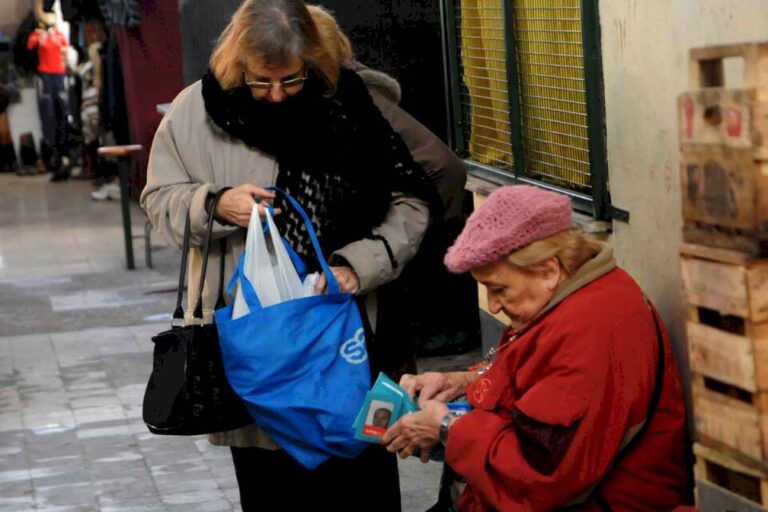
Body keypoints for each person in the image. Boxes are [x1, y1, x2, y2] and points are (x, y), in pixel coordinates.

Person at [140, 0, 441, 510]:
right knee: (272, 489)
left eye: (292, 80)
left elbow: (411, 200)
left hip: (343, 341)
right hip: (254, 347)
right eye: (261, 81)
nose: (277, 96)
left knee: (361, 486)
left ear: (315, 62)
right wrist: (216, 203)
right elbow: (158, 200)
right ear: (238, 63)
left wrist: (357, 265)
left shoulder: (348, 103)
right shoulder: (195, 111)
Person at [382, 185, 688, 511]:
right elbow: (532, 375)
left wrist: (446, 428)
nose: (494, 307)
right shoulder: (569, 297)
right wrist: (461, 382)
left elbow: (540, 473)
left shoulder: (590, 329)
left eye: (498, 289)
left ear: (548, 270)